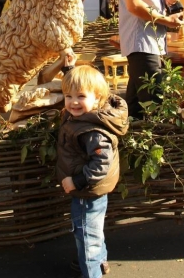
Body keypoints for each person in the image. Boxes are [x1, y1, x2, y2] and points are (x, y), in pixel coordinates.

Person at [56, 56, 129, 278]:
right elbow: (80, 90)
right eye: (68, 96)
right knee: (92, 231)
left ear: (97, 99)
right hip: (90, 190)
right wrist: (70, 68)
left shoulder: (92, 131)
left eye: (80, 97)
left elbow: (101, 163)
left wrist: (76, 181)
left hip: (86, 190)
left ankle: (92, 271)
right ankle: (98, 262)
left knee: (87, 236)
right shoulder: (90, 115)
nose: (73, 102)